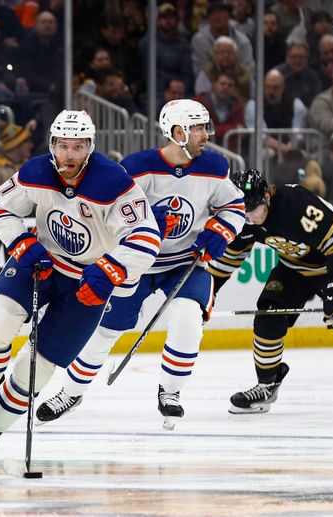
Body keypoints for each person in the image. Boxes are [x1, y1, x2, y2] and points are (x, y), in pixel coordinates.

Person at [0, 110, 161, 461]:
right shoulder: (36, 171)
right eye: (63, 146)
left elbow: (146, 236)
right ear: (52, 145)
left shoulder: (114, 182)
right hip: (43, 264)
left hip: (89, 281)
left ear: (90, 148)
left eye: (78, 147)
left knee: (40, 363)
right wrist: (22, 243)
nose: (69, 155)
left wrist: (110, 269)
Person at [35, 99, 245, 428]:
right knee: (105, 331)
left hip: (183, 263)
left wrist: (223, 228)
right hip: (135, 264)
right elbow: (108, 214)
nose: (207, 134)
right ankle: (71, 391)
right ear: (178, 132)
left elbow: (234, 205)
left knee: (188, 318)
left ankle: (171, 391)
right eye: (200, 128)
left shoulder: (215, 167)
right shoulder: (137, 167)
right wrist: (148, 222)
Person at [210, 169, 333, 415]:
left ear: (267, 196)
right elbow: (227, 261)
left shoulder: (296, 205)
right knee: (268, 317)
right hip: (295, 269)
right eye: (244, 213)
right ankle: (267, 385)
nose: (250, 219)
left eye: (253, 210)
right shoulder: (241, 218)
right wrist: (206, 293)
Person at [275, 41, 322, 107]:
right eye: (294, 57)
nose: (297, 60)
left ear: (307, 59)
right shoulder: (276, 74)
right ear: (287, 57)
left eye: (301, 57)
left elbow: (317, 100)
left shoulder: (313, 76)